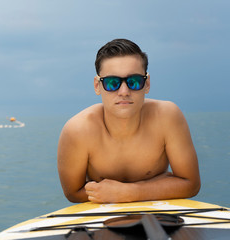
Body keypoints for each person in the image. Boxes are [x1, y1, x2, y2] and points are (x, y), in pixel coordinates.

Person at [57, 39, 201, 203]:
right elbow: (73, 193)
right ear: (97, 86)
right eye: (112, 83)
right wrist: (155, 186)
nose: (124, 92)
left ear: (146, 84)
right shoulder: (78, 130)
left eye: (134, 82)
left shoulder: (167, 117)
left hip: (159, 215)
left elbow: (192, 184)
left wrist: (130, 193)